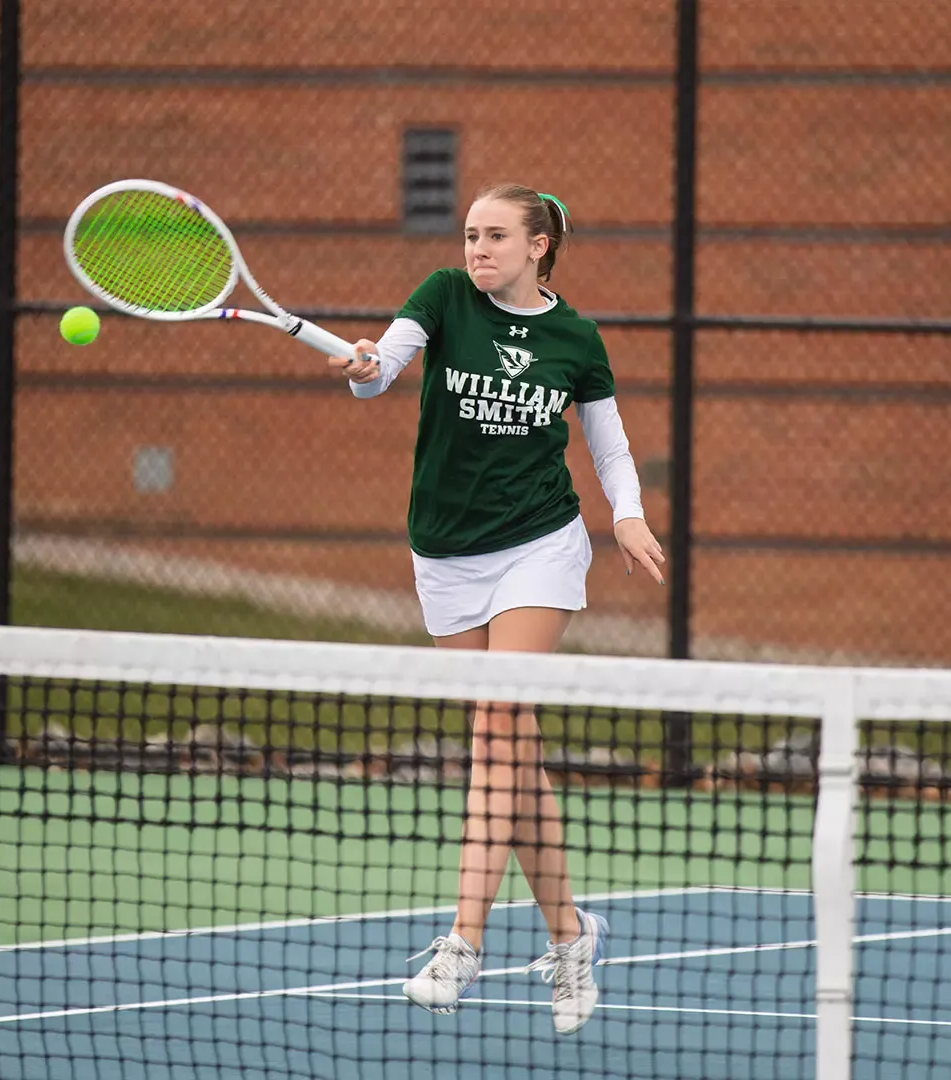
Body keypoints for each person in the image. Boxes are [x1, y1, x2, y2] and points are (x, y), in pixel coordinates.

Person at [331, 183, 666, 1035]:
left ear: (539, 245)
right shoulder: (444, 297)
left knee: (495, 730)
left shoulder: (574, 338)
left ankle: (463, 943)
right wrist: (370, 367)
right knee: (513, 753)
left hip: (539, 545)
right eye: (472, 234)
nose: (477, 248)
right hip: (444, 552)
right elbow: (386, 371)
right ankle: (571, 936)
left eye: (496, 236)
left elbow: (609, 440)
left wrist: (624, 515)